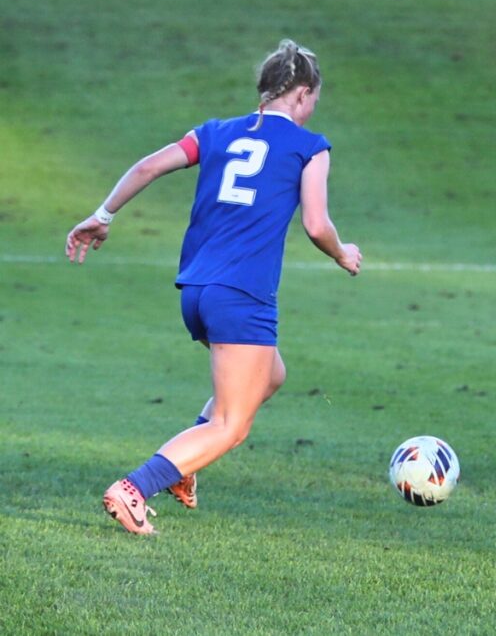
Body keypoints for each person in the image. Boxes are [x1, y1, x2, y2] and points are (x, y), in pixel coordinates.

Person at [66, 39, 362, 535]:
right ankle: (136, 486)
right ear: (304, 94)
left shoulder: (215, 133)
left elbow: (149, 166)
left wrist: (102, 215)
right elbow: (316, 224)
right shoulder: (311, 147)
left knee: (270, 375)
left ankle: (186, 467)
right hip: (242, 296)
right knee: (232, 424)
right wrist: (342, 252)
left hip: (197, 291)